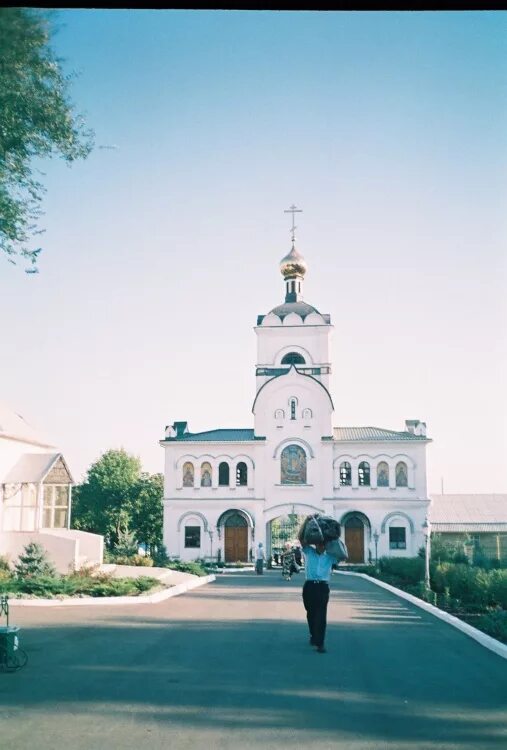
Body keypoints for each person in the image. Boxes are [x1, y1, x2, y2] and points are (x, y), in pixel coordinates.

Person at [298, 518, 340, 654]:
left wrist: (333, 538)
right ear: (316, 544)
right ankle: (313, 635)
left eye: (323, 544)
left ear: (326, 544)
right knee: (310, 612)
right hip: (309, 586)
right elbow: (301, 539)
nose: (320, 546)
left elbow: (343, 554)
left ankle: (320, 642)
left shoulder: (330, 557)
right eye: (319, 544)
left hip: (322, 587)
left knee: (321, 614)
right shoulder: (309, 552)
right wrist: (307, 522)